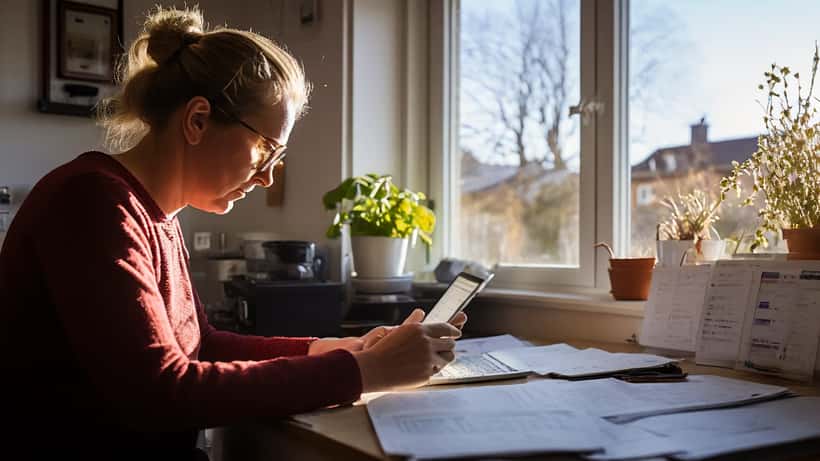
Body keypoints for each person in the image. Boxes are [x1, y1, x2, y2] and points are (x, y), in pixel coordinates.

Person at [0, 7, 464, 460]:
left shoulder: (152, 212)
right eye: (266, 149)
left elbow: (201, 342)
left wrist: (336, 349)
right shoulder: (92, 204)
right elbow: (160, 393)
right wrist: (363, 371)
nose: (267, 177)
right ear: (197, 120)